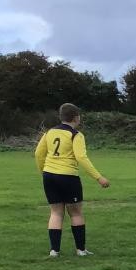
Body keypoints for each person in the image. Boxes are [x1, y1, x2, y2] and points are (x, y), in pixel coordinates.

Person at [34, 103, 110, 258]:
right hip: (68, 176)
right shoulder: (76, 135)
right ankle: (80, 250)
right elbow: (81, 157)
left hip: (49, 175)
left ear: (61, 117)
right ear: (77, 117)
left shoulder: (49, 133)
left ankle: (54, 251)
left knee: (55, 212)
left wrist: (43, 171)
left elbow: (38, 154)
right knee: (75, 213)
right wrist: (98, 177)